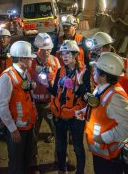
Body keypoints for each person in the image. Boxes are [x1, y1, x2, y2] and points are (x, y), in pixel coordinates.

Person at [90, 31, 128, 174]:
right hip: (108, 116)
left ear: (109, 47)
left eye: (99, 49)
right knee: (112, 151)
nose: (97, 53)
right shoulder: (98, 65)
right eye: (95, 50)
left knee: (127, 151)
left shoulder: (126, 64)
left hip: (125, 114)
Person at [76, 52, 128, 174]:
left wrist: (103, 138)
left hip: (110, 157)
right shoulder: (101, 87)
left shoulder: (116, 97)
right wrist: (84, 111)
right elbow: (98, 107)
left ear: (104, 74)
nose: (93, 71)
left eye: (96, 69)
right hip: (101, 152)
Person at [44, 40, 87, 174]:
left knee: (78, 148)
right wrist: (46, 84)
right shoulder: (60, 71)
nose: (64, 57)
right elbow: (56, 91)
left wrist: (78, 85)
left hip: (76, 116)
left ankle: (80, 172)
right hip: (61, 116)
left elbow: (88, 96)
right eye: (62, 54)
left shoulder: (83, 71)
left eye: (68, 53)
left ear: (75, 55)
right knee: (61, 148)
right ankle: (62, 170)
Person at [0, 41, 38, 174]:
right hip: (16, 130)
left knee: (26, 160)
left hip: (28, 126)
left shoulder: (26, 74)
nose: (32, 59)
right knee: (16, 164)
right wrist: (13, 130)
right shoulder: (7, 77)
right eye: (29, 57)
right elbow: (2, 106)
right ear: (20, 59)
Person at [30, 33, 61, 171]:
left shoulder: (55, 61)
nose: (47, 52)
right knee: (33, 135)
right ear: (38, 49)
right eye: (44, 50)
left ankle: (59, 160)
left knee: (58, 131)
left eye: (49, 49)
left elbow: (60, 83)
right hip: (34, 104)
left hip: (50, 103)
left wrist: (52, 78)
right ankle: (33, 162)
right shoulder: (30, 62)